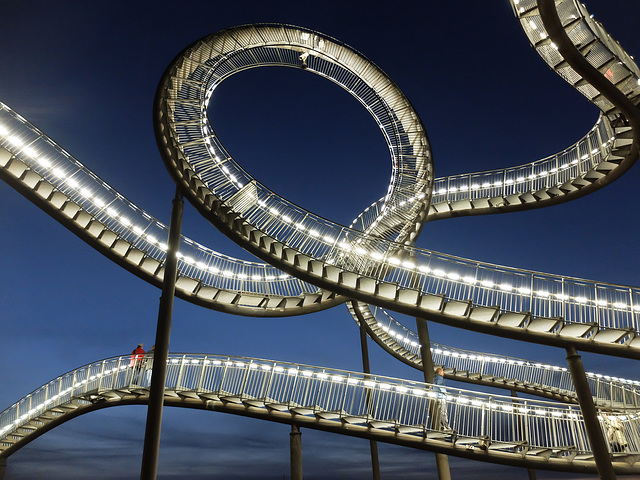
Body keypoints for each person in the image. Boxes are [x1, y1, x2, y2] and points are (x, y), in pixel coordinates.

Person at [433, 367, 453, 432]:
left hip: (437, 397)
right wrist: (445, 393)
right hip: (441, 397)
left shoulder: (434, 379)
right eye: (442, 372)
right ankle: (445, 426)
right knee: (443, 412)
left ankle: (441, 425)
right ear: (440, 372)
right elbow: (440, 385)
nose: (443, 373)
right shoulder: (439, 378)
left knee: (440, 412)